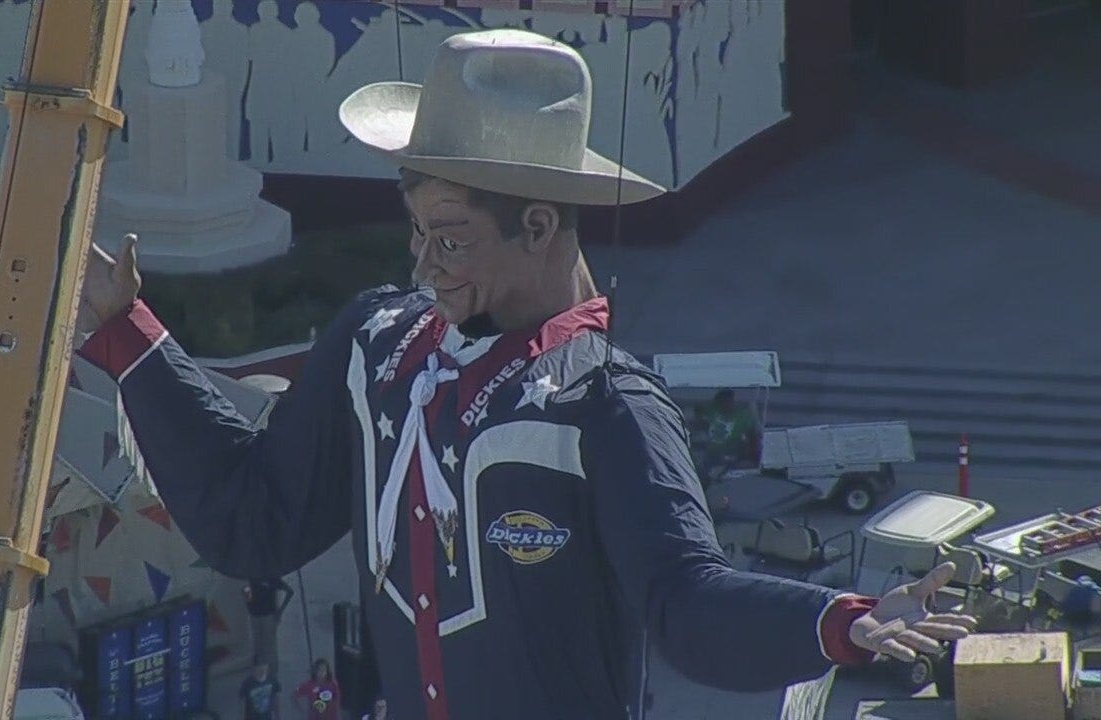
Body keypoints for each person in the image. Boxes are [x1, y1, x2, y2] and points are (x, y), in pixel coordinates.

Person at [76, 28, 976, 719]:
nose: (425, 265)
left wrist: (835, 622)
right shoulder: (373, 348)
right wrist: (130, 337)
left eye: (453, 238)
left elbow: (685, 602)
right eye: (417, 231)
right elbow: (253, 523)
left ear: (539, 227)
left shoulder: (607, 407)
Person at [692, 388, 762, 473]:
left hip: (734, 456)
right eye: (723, 401)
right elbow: (697, 414)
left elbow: (752, 436)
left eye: (729, 400)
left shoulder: (742, 415)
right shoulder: (712, 410)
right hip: (713, 456)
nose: (727, 403)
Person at [242, 578, 294, 678]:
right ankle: (259, 674)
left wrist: (280, 611)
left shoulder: (272, 578)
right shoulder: (251, 577)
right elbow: (247, 593)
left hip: (268, 617)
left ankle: (272, 676)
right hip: (254, 616)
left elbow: (290, 591)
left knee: (269, 647)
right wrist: (247, 598)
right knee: (257, 646)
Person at [239, 656, 281, 720]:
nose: (263, 668)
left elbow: (276, 699)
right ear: (254, 667)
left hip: (267, 717)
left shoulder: (272, 680)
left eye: (265, 665)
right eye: (260, 665)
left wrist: (277, 716)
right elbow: (242, 704)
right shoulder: (247, 684)